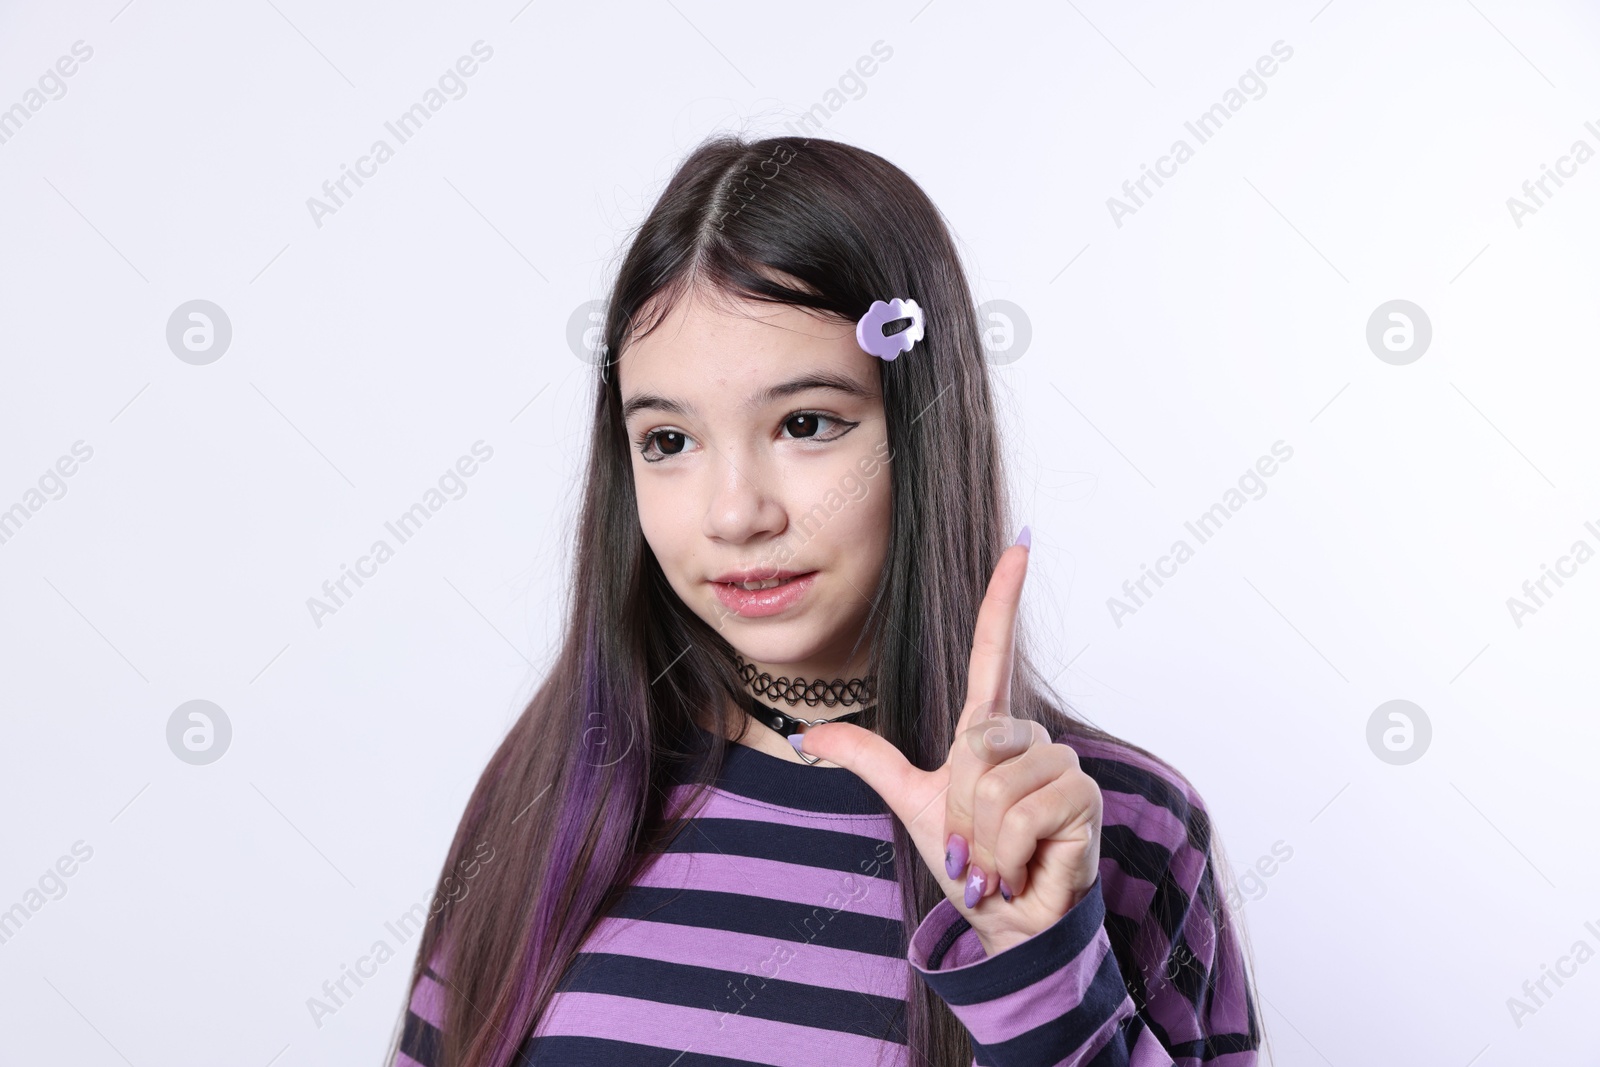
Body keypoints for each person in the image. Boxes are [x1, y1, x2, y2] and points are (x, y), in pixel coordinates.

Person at [384, 135, 1265, 1067]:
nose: (735, 512)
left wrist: (1039, 972)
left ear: (924, 430)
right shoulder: (554, 786)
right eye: (668, 440)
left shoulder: (1114, 831)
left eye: (806, 425)